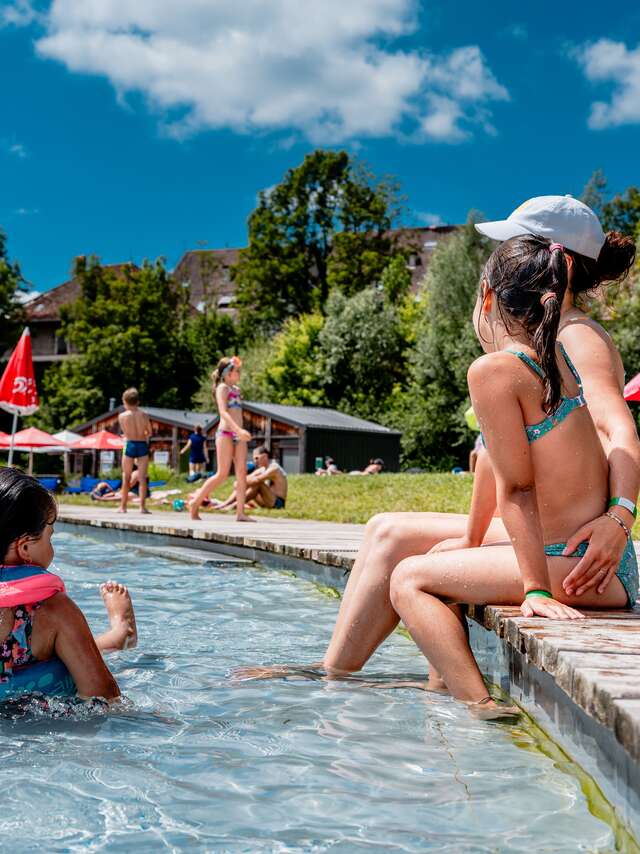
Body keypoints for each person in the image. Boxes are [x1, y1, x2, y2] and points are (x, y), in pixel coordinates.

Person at [240, 201, 639, 714]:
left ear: (549, 261)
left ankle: (357, 679)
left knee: (402, 546)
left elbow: (618, 430)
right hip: (560, 520)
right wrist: (473, 537)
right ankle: (345, 674)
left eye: (512, 245)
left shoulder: (573, 336)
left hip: (577, 534)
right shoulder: (542, 346)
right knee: (391, 530)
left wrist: (619, 516)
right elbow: (506, 461)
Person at [1, 469, 138, 702]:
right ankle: (121, 632)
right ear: (25, 548)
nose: (52, 546)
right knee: (80, 652)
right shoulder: (54, 610)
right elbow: (105, 698)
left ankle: (120, 634)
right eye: (49, 536)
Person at [189, 356, 254, 522]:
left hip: (238, 435)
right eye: (236, 371)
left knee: (242, 473)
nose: (239, 374)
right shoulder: (222, 388)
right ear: (227, 373)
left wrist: (241, 431)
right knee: (222, 474)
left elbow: (237, 413)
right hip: (226, 433)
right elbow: (223, 412)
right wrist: (238, 430)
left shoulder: (237, 390)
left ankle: (240, 513)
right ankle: (195, 503)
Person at [212, 446, 288, 511]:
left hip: (278, 504)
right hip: (267, 501)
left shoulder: (274, 468)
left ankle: (233, 505)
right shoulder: (262, 469)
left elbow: (256, 480)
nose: (255, 461)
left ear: (265, 456)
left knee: (257, 484)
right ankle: (225, 504)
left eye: (257, 458)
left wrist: (240, 482)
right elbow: (247, 479)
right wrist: (239, 482)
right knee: (246, 483)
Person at [118, 388, 152, 515]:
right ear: (137, 401)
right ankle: (142, 507)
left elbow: (125, 433)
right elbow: (149, 432)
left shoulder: (122, 416)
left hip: (130, 444)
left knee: (126, 477)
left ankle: (123, 507)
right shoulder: (144, 414)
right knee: (142, 478)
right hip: (142, 444)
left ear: (125, 401)